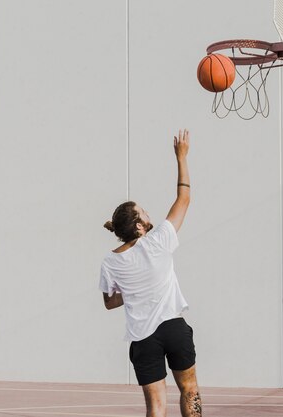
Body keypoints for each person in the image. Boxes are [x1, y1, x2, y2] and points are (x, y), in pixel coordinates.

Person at [99, 130, 201, 417]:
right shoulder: (158, 241)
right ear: (140, 227)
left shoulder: (110, 261)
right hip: (173, 328)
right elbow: (184, 198)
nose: (148, 213)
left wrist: (133, 292)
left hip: (143, 338)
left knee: (156, 407)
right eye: (143, 212)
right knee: (190, 389)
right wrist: (182, 156)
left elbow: (109, 303)